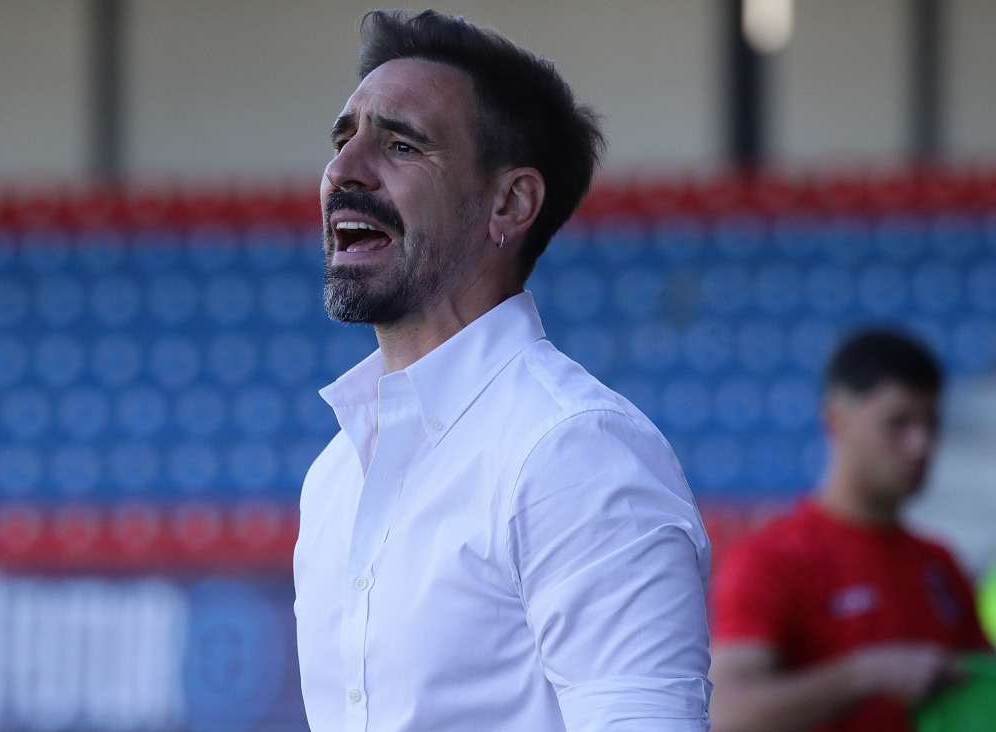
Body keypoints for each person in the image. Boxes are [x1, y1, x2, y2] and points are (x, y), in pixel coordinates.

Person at [291, 9, 711, 731]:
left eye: (400, 145)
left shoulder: (577, 451)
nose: (342, 172)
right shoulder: (333, 477)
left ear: (511, 204)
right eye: (342, 139)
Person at [708, 329, 992, 732]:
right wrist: (864, 675)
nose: (921, 445)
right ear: (836, 420)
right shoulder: (772, 558)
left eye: (931, 424)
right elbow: (727, 714)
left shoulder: (939, 563)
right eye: (898, 424)